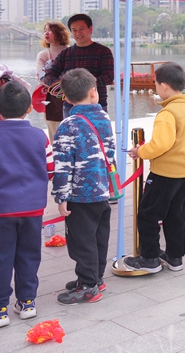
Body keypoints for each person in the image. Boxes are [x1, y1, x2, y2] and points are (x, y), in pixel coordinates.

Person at [0, 82, 53, 328]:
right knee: (29, 255)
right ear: (29, 108)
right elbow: (49, 170)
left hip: (0, 209)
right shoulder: (40, 136)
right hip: (33, 208)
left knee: (1, 257)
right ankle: (27, 303)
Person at [124, 62, 185, 273]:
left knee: (148, 214)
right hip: (183, 172)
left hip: (164, 173)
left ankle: (149, 258)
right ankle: (175, 257)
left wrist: (140, 151)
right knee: (175, 216)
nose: (155, 88)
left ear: (164, 86)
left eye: (156, 84)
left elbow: (160, 144)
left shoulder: (167, 113)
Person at [51, 69, 115, 304]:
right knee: (99, 237)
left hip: (80, 196)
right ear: (93, 92)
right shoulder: (104, 118)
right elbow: (110, 153)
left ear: (67, 98)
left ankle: (88, 287)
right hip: (102, 191)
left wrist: (61, 197)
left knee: (82, 242)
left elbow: (62, 165)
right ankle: (96, 277)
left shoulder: (67, 125)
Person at [41, 14, 114, 116]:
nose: (78, 33)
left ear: (90, 29)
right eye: (74, 30)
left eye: (81, 29)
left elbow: (108, 77)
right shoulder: (65, 53)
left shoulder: (103, 51)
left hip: (97, 105)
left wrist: (81, 84)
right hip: (70, 107)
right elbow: (48, 76)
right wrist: (64, 85)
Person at [36, 21, 70, 139]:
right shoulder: (43, 54)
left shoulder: (71, 52)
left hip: (72, 96)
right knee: (54, 133)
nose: (46, 33)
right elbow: (41, 77)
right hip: (51, 98)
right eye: (45, 31)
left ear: (59, 33)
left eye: (50, 30)